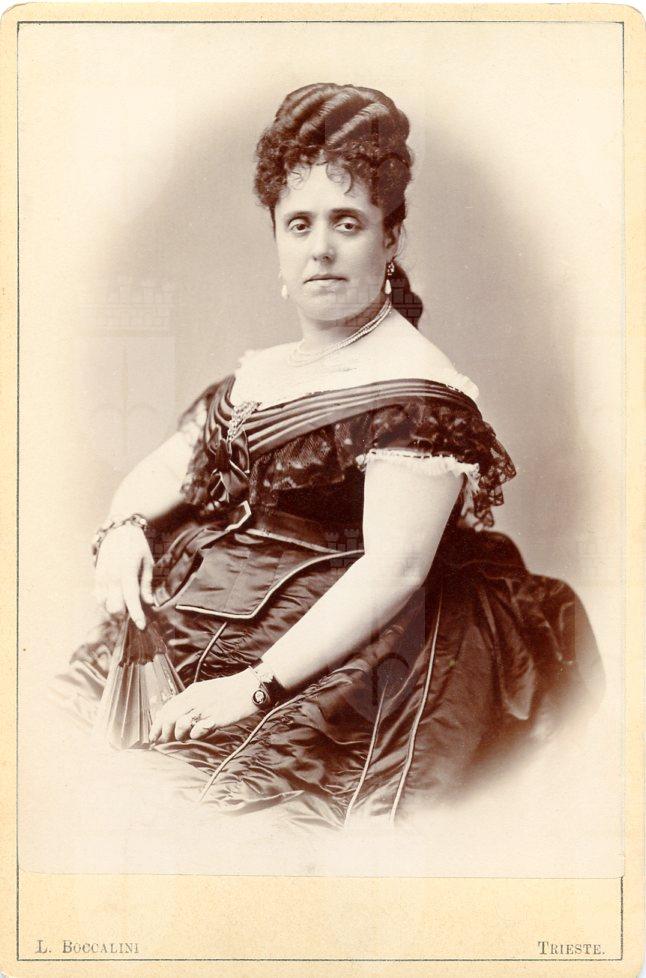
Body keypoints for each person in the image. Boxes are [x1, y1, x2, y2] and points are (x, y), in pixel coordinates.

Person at [55, 82, 602, 829]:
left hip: (342, 648)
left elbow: (393, 570)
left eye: (347, 222)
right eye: (299, 224)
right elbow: (170, 465)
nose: (320, 248)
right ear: (278, 242)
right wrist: (123, 531)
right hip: (213, 614)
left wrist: (253, 687)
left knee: (213, 811)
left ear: (390, 238)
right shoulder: (265, 371)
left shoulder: (417, 389)